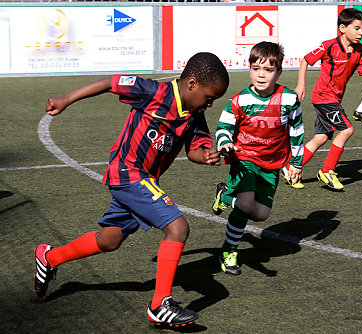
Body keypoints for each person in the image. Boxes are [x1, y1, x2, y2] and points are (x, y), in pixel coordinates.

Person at [33, 52, 229, 327]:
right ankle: (160, 304)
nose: (210, 104)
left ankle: (49, 257)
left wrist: (206, 155)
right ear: (192, 83)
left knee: (109, 240)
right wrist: (66, 99)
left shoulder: (195, 115)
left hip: (145, 180)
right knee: (178, 228)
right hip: (127, 171)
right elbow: (111, 83)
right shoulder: (154, 91)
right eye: (210, 97)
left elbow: (195, 149)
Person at [211, 41, 304, 274]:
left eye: (268, 70)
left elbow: (297, 131)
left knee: (260, 215)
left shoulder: (289, 99)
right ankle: (228, 251)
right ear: (250, 69)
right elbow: (223, 126)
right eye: (256, 69)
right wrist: (225, 143)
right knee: (244, 204)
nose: (261, 75)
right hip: (244, 160)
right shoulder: (240, 99)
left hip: (272, 164)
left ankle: (224, 196)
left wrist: (296, 162)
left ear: (279, 72)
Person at [294, 8, 362, 191]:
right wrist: (301, 85)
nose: (361, 33)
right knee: (346, 130)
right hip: (323, 96)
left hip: (333, 98)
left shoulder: (360, 50)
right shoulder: (329, 46)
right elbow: (305, 60)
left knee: (321, 138)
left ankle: (291, 167)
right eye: (357, 28)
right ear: (342, 28)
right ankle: (327, 171)